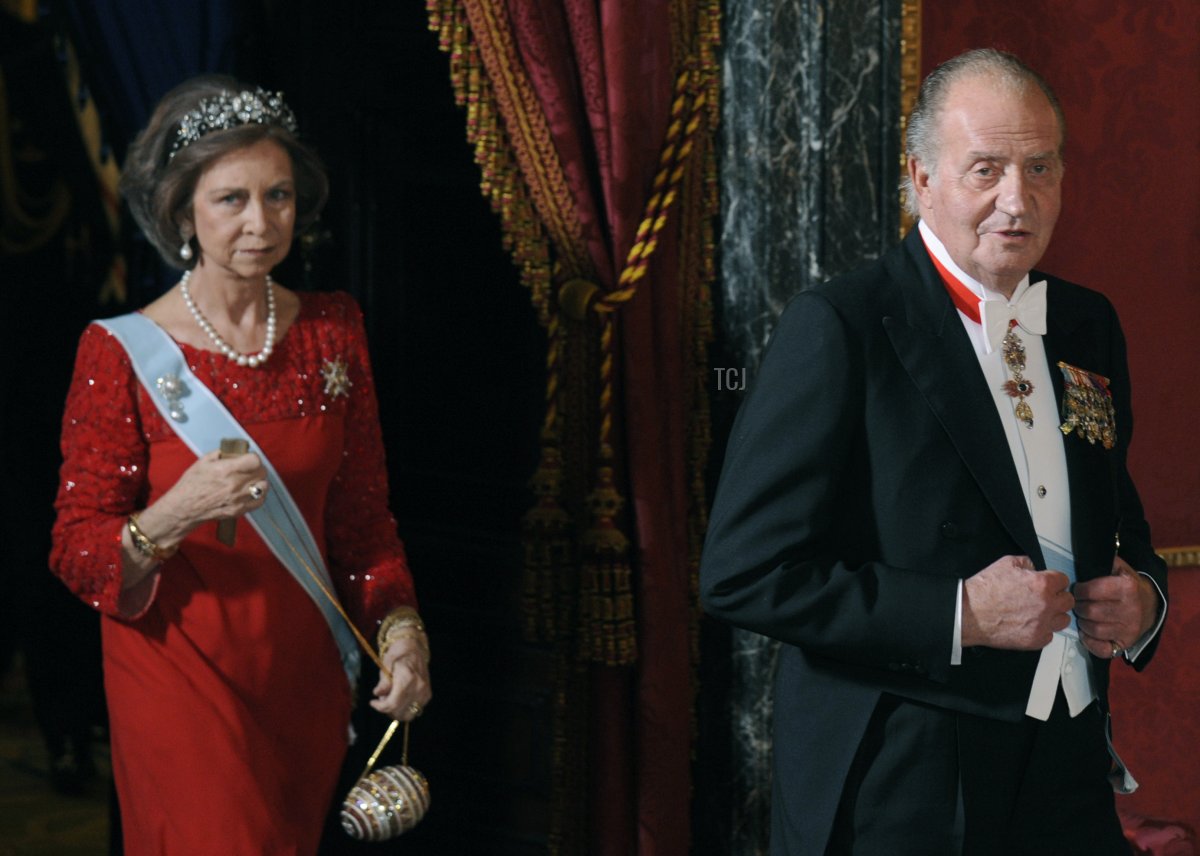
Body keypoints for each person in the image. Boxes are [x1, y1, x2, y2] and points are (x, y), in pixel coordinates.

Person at [699, 49, 1167, 856]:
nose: (1017, 200)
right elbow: (743, 573)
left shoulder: (1088, 322)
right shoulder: (841, 326)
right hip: (907, 766)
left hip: (1066, 755)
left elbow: (1116, 513)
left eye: (1040, 167)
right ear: (921, 178)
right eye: (985, 169)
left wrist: (1145, 600)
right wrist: (960, 614)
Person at [50, 75, 432, 855]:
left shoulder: (334, 332)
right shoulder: (120, 351)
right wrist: (176, 511)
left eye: (279, 195)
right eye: (231, 199)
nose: (261, 223)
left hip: (301, 676)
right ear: (182, 210)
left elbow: (362, 523)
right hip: (178, 676)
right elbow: (74, 551)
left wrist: (400, 631)